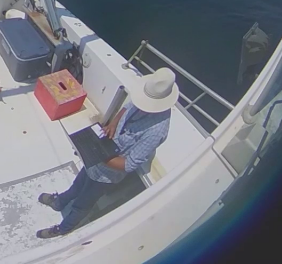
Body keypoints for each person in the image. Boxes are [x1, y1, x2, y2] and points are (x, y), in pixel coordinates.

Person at [35, 67, 179, 238]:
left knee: (83, 204)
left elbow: (129, 165)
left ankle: (64, 228)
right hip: (98, 156)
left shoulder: (157, 131)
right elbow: (126, 109)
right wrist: (112, 125)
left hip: (108, 175)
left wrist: (98, 156)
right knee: (78, 183)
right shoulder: (144, 96)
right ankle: (59, 202)